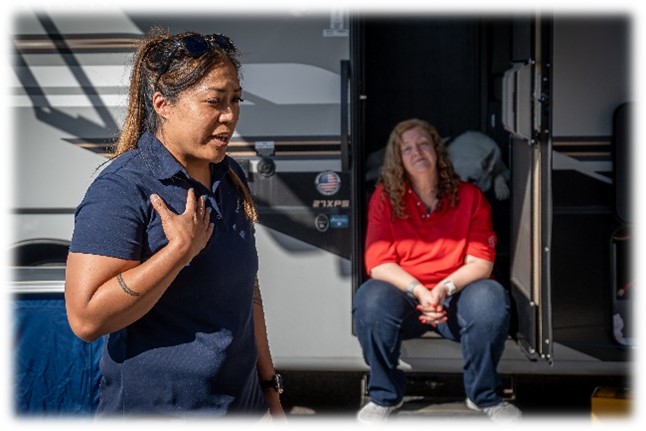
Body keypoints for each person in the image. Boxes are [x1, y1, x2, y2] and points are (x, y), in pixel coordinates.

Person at [64, 27, 284, 418]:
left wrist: (270, 393)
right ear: (163, 104)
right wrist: (178, 252)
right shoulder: (123, 187)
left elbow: (247, 292)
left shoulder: (229, 176)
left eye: (236, 100)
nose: (230, 116)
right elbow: (86, 319)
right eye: (214, 101)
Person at [352, 118, 521, 423]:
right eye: (407, 148)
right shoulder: (384, 198)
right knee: (370, 299)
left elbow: (481, 263)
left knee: (491, 299)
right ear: (398, 159)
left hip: (457, 298)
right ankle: (384, 396)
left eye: (423, 144)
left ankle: (483, 396)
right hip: (407, 298)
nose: (416, 152)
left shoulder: (470, 196)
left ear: (437, 150)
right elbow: (378, 264)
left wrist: (443, 289)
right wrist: (420, 291)